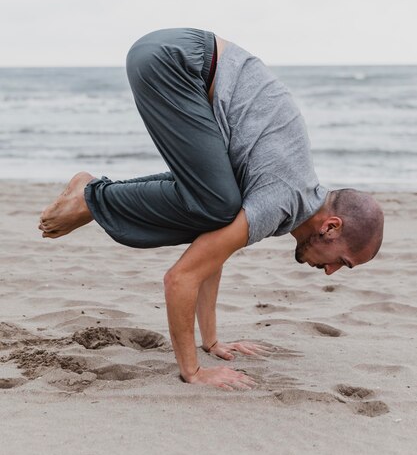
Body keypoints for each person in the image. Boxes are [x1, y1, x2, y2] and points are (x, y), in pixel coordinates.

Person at [39, 28, 384, 390]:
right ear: (331, 227)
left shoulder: (292, 191)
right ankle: (91, 196)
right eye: (341, 262)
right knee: (216, 205)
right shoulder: (281, 200)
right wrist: (193, 371)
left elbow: (212, 251)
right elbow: (180, 278)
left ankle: (92, 194)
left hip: (177, 56)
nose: (329, 272)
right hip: (177, 63)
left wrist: (213, 341)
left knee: (217, 206)